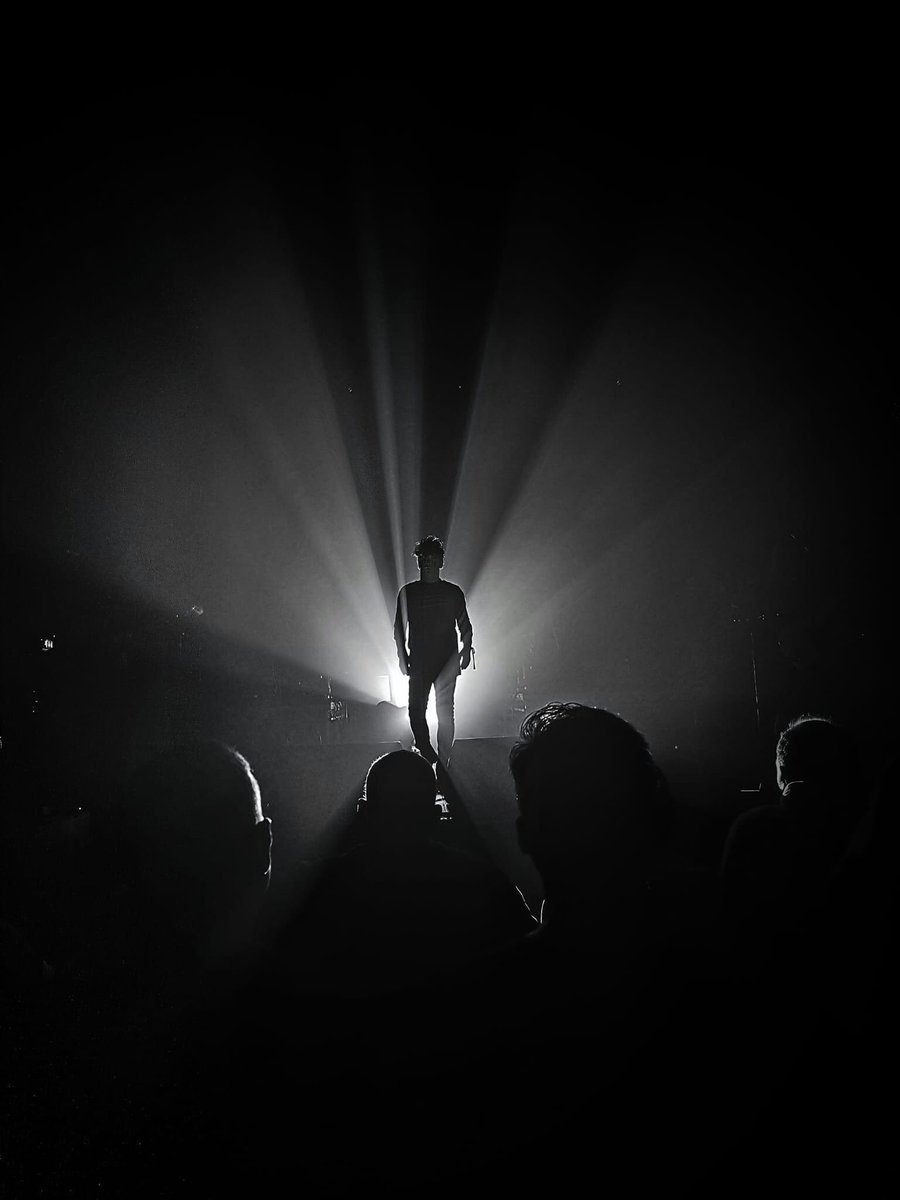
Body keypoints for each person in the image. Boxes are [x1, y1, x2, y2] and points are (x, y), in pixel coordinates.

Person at [393, 535, 473, 779]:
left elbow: (465, 625)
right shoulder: (408, 593)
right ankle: (432, 758)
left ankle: (442, 763)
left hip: (445, 662)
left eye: (431, 558)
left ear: (440, 561)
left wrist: (466, 649)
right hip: (420, 661)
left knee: (444, 712)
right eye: (423, 558)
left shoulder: (452, 593)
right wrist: (402, 656)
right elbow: (399, 628)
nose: (427, 562)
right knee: (416, 711)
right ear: (418, 562)